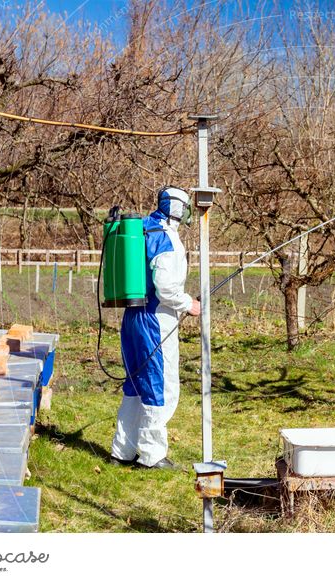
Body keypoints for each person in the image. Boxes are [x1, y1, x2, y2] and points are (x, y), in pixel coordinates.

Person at [110, 186, 200, 469]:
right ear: (176, 208)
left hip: (132, 318)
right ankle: (152, 455)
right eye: (185, 207)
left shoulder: (141, 229)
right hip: (155, 320)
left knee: (134, 385)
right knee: (159, 386)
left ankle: (121, 451)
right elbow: (165, 288)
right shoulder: (168, 239)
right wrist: (189, 304)